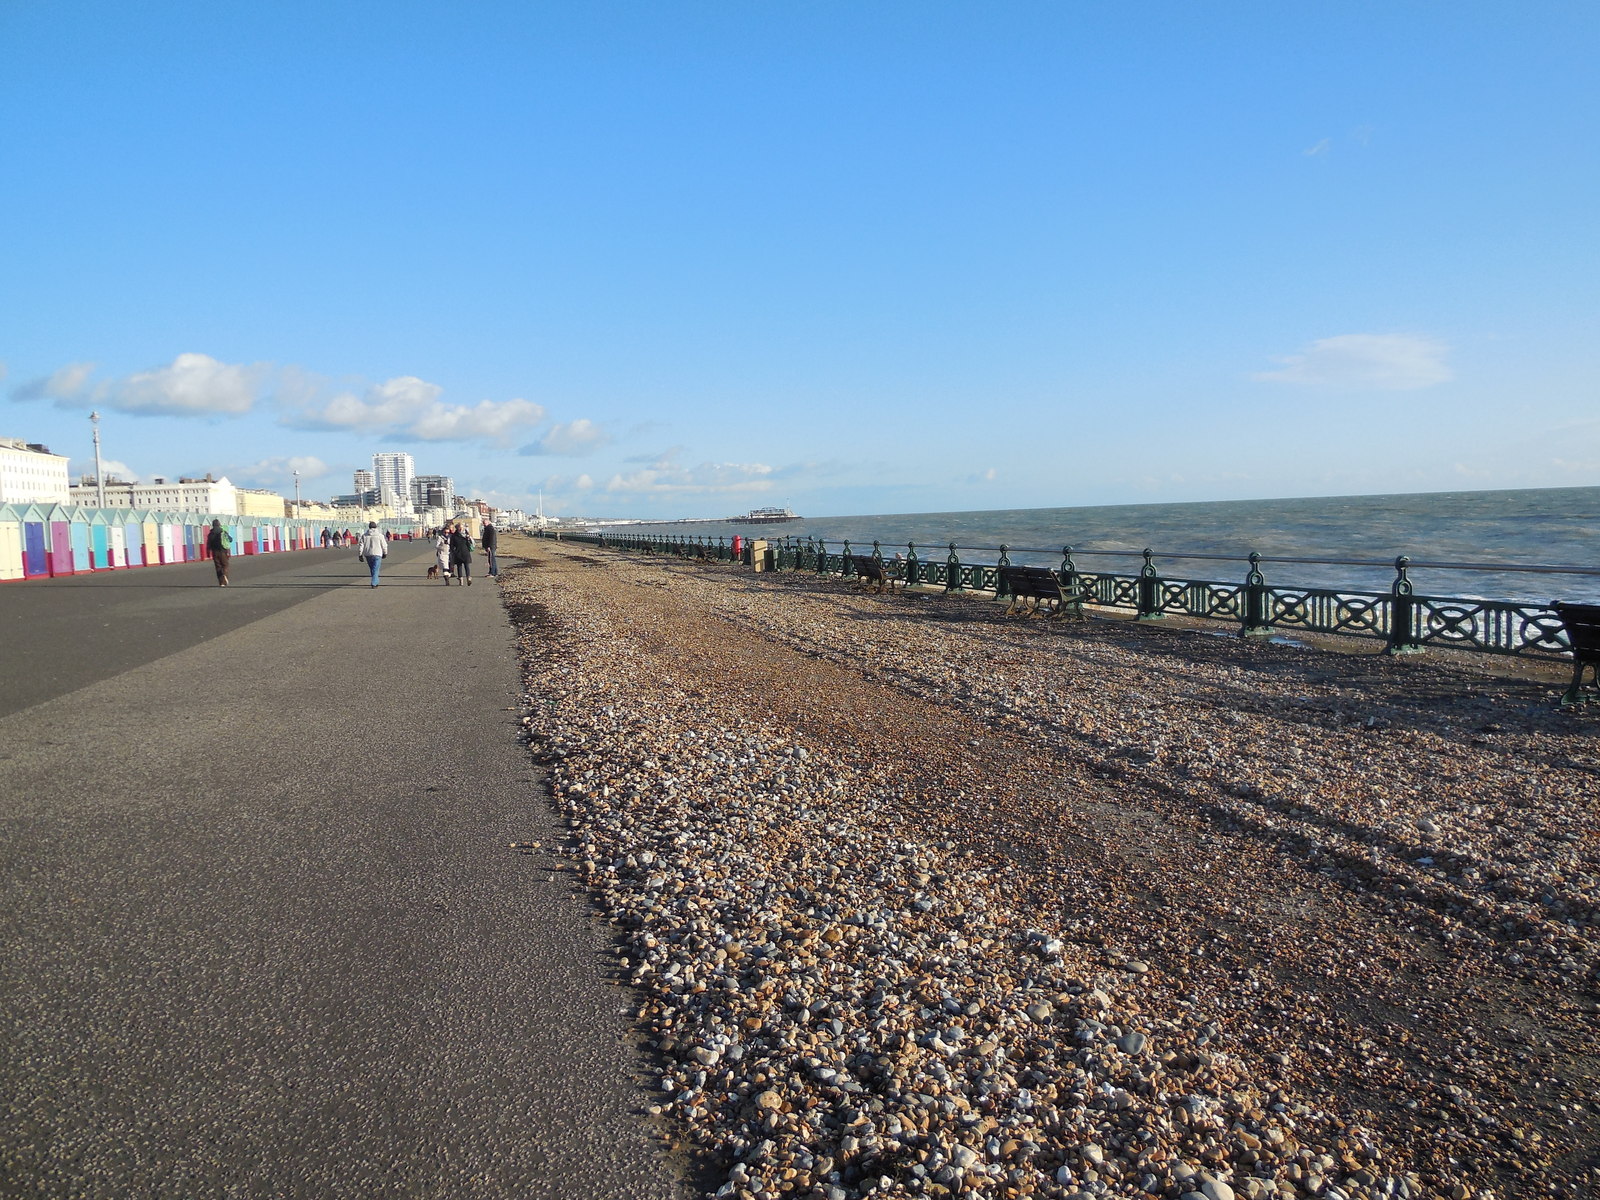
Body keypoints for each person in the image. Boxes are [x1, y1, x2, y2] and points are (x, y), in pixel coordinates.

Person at [358, 521, 388, 587]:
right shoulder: (380, 535)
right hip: (377, 554)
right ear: (376, 527)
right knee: (376, 568)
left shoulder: (364, 535)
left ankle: (375, 581)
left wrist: (360, 554)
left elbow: (361, 545)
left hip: (368, 554)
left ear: (369, 527)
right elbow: (384, 545)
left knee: (372, 569)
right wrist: (385, 553)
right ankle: (374, 583)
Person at [206, 518, 232, 587]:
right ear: (219, 524)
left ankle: (221, 583)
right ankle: (224, 575)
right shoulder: (223, 532)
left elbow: (208, 544)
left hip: (215, 552)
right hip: (223, 551)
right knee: (225, 565)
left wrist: (208, 552)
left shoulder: (210, 534)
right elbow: (230, 539)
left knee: (218, 566)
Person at [448, 521, 473, 586]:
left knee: (467, 566)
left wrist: (468, 539)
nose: (461, 529)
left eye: (462, 527)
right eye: (459, 528)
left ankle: (468, 579)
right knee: (459, 566)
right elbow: (451, 545)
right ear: (457, 528)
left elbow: (470, 544)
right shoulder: (454, 536)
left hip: (465, 552)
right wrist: (453, 551)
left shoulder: (467, 535)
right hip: (458, 552)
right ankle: (461, 580)